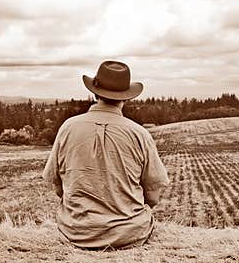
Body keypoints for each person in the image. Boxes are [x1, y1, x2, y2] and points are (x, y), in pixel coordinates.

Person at [42, 60, 170, 250]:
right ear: (126, 98)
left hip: (74, 232)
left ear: (95, 93)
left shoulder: (68, 127)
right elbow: (153, 196)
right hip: (129, 235)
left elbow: (58, 187)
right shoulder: (140, 134)